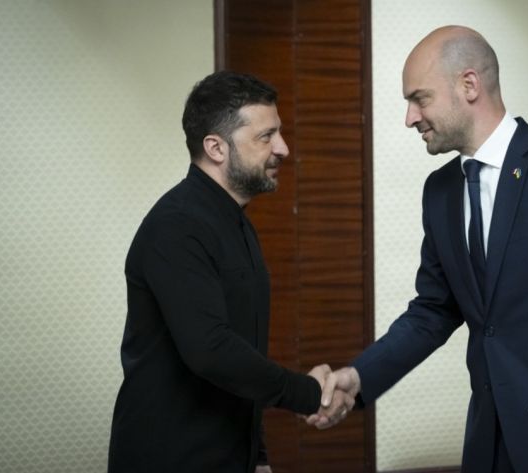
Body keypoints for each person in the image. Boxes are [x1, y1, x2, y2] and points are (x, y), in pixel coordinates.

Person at [313, 26, 528, 473]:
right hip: (488, 443)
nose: (410, 118)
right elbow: (432, 312)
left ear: (469, 85)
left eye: (420, 99)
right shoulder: (440, 191)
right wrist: (358, 377)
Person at [108, 71, 352, 473]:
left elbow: (243, 352)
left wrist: (258, 456)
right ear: (216, 148)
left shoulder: (235, 222)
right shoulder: (177, 226)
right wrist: (308, 393)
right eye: (266, 136)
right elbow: (212, 350)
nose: (283, 148)